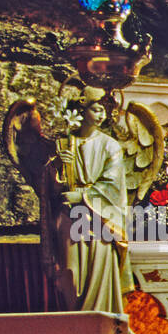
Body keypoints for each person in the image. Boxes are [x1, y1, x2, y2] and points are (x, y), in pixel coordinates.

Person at [40, 87, 133, 313]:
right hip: (69, 217)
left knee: (97, 274)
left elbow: (113, 185)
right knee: (70, 273)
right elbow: (49, 188)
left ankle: (99, 325)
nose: (101, 115)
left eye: (105, 111)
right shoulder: (65, 143)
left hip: (99, 219)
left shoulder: (110, 145)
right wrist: (56, 167)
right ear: (82, 109)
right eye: (97, 109)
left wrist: (82, 195)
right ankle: (75, 324)